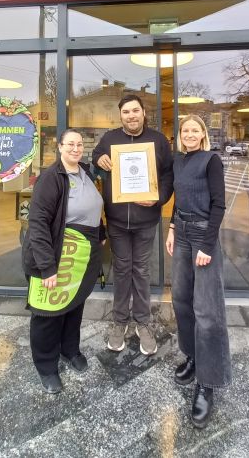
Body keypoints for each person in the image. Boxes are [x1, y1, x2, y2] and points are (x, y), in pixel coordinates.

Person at [22, 129, 105, 394]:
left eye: (79, 144)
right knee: (48, 311)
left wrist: (100, 234)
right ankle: (46, 366)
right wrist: (47, 267)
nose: (75, 148)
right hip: (58, 252)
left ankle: (69, 350)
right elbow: (38, 224)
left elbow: (92, 207)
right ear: (59, 147)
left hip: (83, 251)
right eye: (70, 144)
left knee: (74, 304)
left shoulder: (85, 172)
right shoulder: (51, 178)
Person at [92, 94, 173, 355]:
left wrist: (159, 198)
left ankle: (143, 322)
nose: (131, 116)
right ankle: (119, 321)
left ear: (143, 113)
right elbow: (95, 157)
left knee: (141, 270)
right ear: (121, 116)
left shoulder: (158, 140)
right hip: (116, 220)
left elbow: (169, 174)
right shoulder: (109, 139)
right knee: (122, 269)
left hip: (146, 220)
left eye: (135, 111)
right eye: (126, 112)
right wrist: (98, 160)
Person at [166, 114, 231, 429]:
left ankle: (207, 383)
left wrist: (206, 245)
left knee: (207, 309)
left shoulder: (211, 161)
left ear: (203, 134)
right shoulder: (180, 162)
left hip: (203, 235)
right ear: (180, 135)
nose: (189, 134)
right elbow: (179, 199)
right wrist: (171, 227)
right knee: (180, 299)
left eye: (195, 130)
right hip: (181, 233)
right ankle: (192, 356)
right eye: (185, 130)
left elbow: (219, 204)